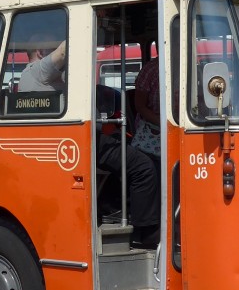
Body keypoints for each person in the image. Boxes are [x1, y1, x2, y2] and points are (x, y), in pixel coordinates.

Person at [21, 37, 160, 248]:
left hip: (82, 139)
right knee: (143, 167)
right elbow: (64, 50)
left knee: (130, 150)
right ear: (40, 52)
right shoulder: (38, 71)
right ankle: (145, 232)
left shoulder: (35, 76)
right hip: (82, 141)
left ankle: (116, 209)